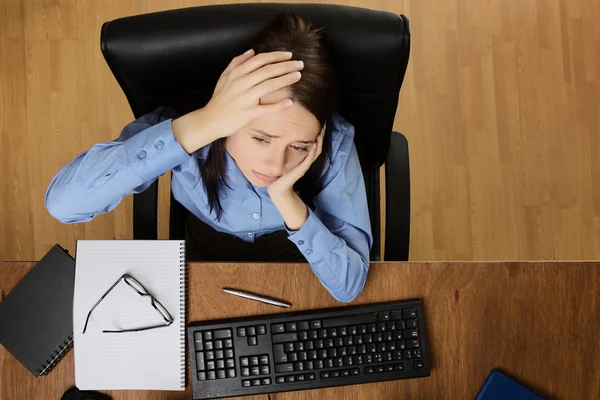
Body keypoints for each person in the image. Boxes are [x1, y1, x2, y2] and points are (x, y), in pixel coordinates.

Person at [45, 12, 372, 302]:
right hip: (204, 245)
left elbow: (349, 286)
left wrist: (286, 199)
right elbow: (63, 204)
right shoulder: (191, 129)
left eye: (299, 147)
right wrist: (202, 126)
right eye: (260, 138)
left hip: (300, 250)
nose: (275, 165)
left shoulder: (335, 143)